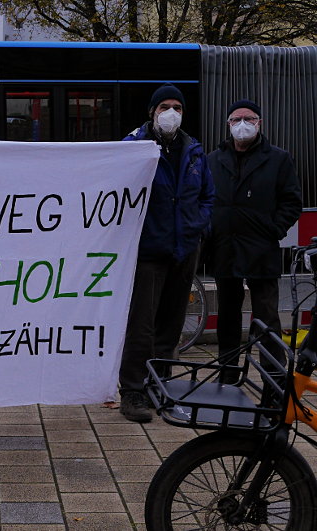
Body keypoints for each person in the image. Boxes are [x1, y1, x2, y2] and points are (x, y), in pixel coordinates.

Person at [118, 83, 215, 422]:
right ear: (152, 112)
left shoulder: (194, 150)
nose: (171, 112)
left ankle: (163, 387)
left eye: (177, 106)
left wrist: (198, 225)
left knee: (170, 326)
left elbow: (207, 195)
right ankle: (133, 391)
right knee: (141, 325)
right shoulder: (133, 147)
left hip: (183, 250)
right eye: (164, 107)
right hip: (148, 251)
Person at [208, 99, 301, 380]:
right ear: (228, 124)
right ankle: (228, 373)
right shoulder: (213, 159)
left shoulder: (278, 158)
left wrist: (274, 229)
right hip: (224, 248)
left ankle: (274, 376)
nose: (242, 124)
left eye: (249, 118)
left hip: (261, 248)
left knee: (266, 317)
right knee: (227, 316)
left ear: (259, 123)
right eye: (236, 119)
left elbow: (291, 202)